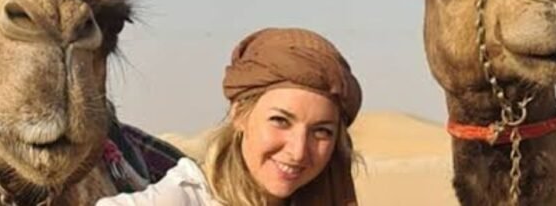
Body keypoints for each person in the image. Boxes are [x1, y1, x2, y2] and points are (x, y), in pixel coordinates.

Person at [97, 27, 363, 206]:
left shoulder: (325, 195)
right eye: (281, 121)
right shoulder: (185, 197)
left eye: (321, 131)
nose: (298, 151)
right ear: (240, 114)